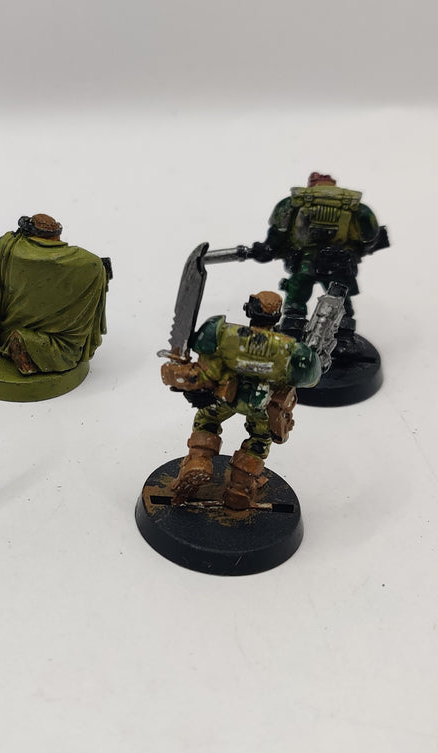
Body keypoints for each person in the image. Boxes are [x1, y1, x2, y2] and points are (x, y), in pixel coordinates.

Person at [161, 292, 322, 509]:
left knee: (207, 421)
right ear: (277, 317)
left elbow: (209, 369)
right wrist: (314, 359)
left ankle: (199, 459)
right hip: (262, 405)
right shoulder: (291, 351)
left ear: (250, 311)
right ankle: (241, 485)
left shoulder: (223, 334)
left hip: (226, 396)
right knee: (259, 439)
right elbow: (308, 379)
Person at [252, 172, 388, 350]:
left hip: (305, 262)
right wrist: (356, 251)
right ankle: (344, 339)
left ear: (312, 185)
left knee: (296, 299)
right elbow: (370, 236)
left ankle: (291, 333)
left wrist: (266, 250)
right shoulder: (355, 208)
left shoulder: (293, 202)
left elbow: (276, 236)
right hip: (339, 264)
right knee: (340, 301)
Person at [0, 214, 108, 375]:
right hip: (63, 335)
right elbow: (94, 264)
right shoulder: (85, 262)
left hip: (11, 326)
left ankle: (28, 346)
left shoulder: (13, 250)